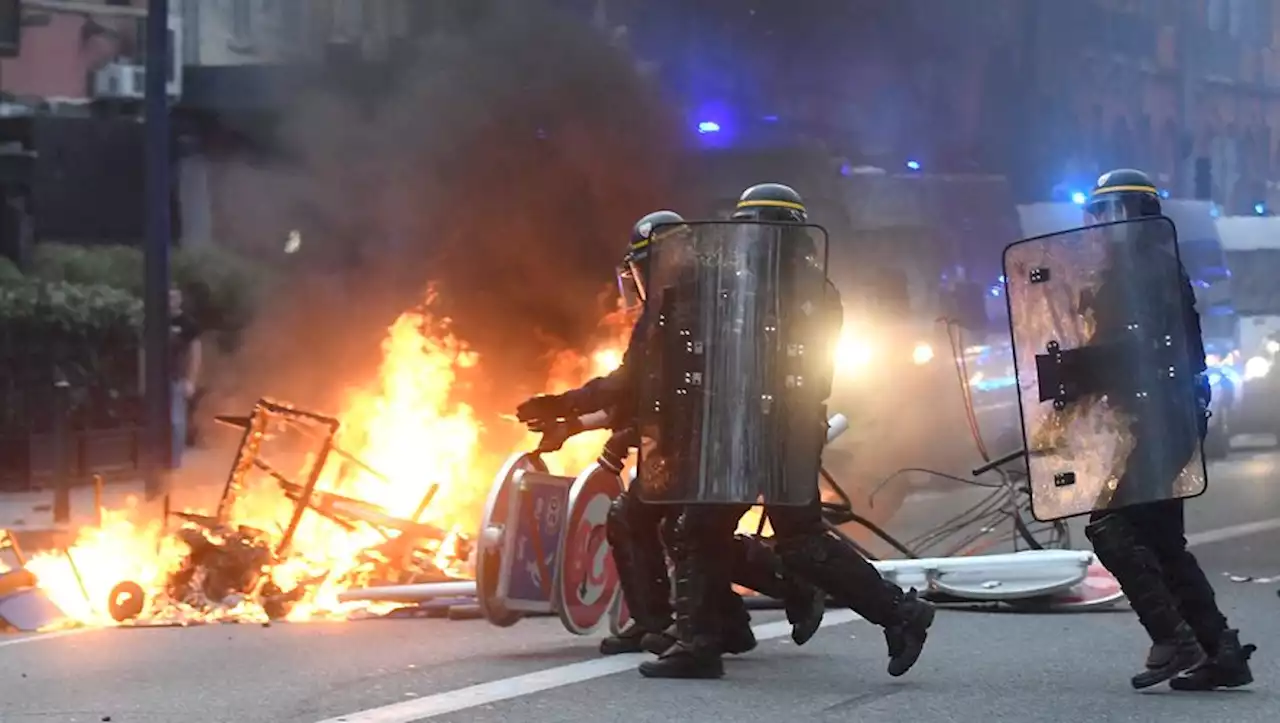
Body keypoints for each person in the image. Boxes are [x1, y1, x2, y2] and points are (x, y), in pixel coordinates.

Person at [636, 184, 935, 680]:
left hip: (768, 428)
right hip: (765, 427)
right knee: (744, 533)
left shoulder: (796, 293)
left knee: (754, 534)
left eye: (763, 231)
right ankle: (705, 641)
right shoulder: (776, 289)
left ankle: (703, 643)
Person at [518, 210, 825, 658]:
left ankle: (782, 588)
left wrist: (569, 404)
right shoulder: (672, 302)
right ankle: (675, 623)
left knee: (687, 529)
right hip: (680, 436)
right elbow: (640, 389)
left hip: (711, 438)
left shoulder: (700, 301)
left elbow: (634, 384)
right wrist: (573, 421)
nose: (641, 277)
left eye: (646, 265)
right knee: (650, 521)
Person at [1079, 168, 1254, 691]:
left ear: (1129, 214)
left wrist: (1080, 366)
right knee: (1161, 539)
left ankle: (1175, 639)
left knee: (1111, 526)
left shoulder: (1144, 272)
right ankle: (1219, 650)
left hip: (1161, 417)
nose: (1099, 226)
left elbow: (1143, 350)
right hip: (1161, 416)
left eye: (1106, 214)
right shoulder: (1140, 268)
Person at [169, 286, 201, 467]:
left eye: (174, 298)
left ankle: (175, 462)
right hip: (158, 379)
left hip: (178, 378)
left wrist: (191, 380)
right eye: (168, 298)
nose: (170, 302)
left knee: (176, 421)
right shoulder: (157, 321)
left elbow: (196, 352)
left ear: (179, 300)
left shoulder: (187, 324)